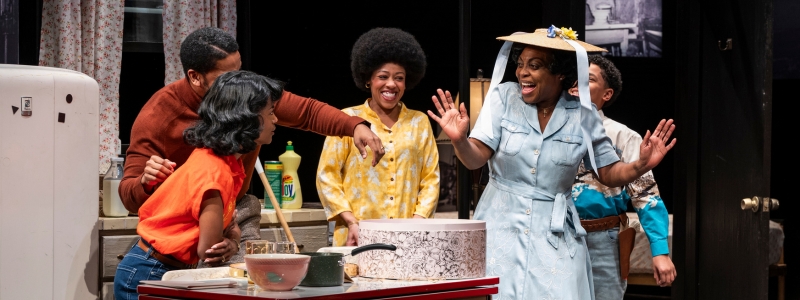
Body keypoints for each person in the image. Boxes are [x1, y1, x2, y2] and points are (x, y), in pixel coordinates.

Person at [428, 27, 676, 299]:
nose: (523, 72)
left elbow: (608, 172)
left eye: (534, 66)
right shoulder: (504, 98)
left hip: (555, 235)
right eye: (520, 64)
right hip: (501, 227)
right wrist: (460, 140)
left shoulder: (584, 113)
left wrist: (639, 166)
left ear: (561, 74)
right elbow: (475, 157)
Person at [119, 27, 385, 265]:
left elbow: (307, 111)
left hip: (233, 206)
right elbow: (128, 194)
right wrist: (145, 181)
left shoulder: (246, 95)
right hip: (185, 218)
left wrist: (355, 126)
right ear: (195, 77)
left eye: (240, 70)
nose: (238, 80)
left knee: (243, 283)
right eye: (227, 75)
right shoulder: (160, 115)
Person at [114, 71, 283, 299]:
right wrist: (231, 240)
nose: (276, 120)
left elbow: (227, 230)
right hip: (150, 271)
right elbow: (210, 249)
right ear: (246, 117)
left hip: (163, 268)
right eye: (270, 113)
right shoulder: (214, 170)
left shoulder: (222, 161)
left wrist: (232, 240)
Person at [317, 28, 440, 246]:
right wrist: (351, 221)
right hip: (357, 238)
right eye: (383, 76)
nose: (391, 84)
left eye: (399, 78)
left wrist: (417, 223)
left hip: (408, 239)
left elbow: (430, 179)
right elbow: (327, 177)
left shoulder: (419, 122)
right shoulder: (347, 119)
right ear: (368, 80)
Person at [570, 55, 676, 298]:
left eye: (589, 80)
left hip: (602, 240)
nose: (578, 84)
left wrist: (660, 251)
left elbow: (645, 194)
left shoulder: (622, 136)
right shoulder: (550, 129)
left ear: (606, 94)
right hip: (557, 236)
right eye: (576, 79)